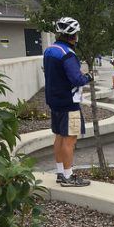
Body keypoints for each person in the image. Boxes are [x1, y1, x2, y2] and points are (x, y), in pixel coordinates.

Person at [43, 16, 92, 187]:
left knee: (59, 136)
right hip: (69, 102)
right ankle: (68, 176)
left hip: (54, 101)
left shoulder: (50, 50)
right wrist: (89, 77)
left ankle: (60, 172)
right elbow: (76, 79)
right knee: (70, 140)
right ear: (73, 35)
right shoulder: (67, 55)